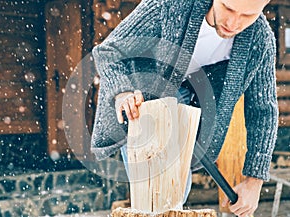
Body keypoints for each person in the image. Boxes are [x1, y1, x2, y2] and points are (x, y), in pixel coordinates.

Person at [90, 0, 278, 216]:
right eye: (228, 8)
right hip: (144, 102)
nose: (234, 23)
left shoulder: (260, 39)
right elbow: (109, 51)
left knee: (174, 199)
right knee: (155, 197)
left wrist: (254, 180)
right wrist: (122, 92)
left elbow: (263, 110)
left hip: (192, 113)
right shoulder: (171, 5)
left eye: (247, 16)